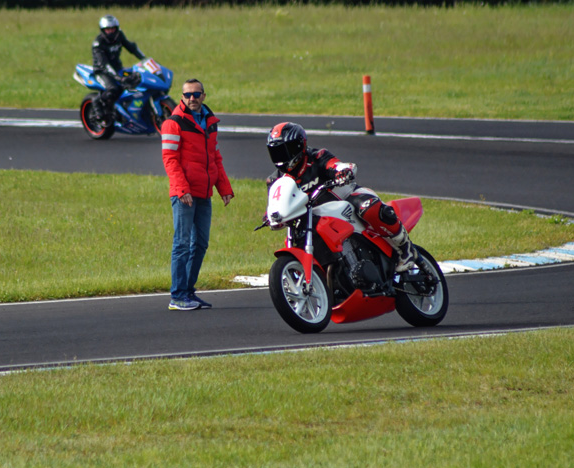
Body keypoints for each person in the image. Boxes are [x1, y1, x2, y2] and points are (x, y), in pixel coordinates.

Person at [265, 122, 418, 272]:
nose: (281, 157)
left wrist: (342, 171)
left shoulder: (317, 157)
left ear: (299, 146)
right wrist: (271, 216)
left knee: (367, 207)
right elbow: (276, 203)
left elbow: (336, 165)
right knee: (295, 238)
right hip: (311, 216)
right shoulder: (275, 180)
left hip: (343, 198)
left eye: (285, 150)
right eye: (276, 152)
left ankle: (405, 248)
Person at [162, 79, 235, 311]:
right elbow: (170, 160)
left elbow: (215, 157)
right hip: (184, 194)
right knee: (182, 244)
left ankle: (188, 292)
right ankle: (177, 296)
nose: (191, 98)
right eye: (187, 95)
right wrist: (182, 189)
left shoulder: (210, 122)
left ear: (203, 96)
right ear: (181, 97)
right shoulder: (173, 123)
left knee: (200, 243)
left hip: (204, 193)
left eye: (196, 94)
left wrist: (223, 188)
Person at [91, 14, 146, 126]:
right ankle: (97, 101)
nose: (111, 32)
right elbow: (104, 64)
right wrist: (117, 77)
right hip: (102, 71)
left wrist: (145, 60)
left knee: (135, 79)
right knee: (113, 88)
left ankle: (128, 111)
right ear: (103, 30)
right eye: (108, 29)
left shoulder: (119, 35)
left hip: (118, 68)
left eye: (113, 29)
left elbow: (131, 47)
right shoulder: (98, 43)